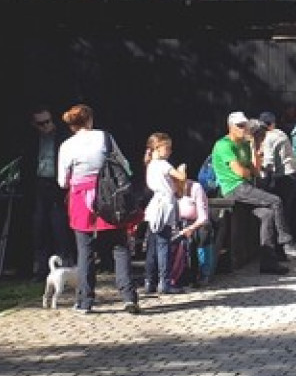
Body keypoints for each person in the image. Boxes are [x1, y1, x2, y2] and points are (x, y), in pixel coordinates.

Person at [56, 104, 139, 313]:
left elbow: (62, 182)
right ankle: (129, 297)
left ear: (72, 125)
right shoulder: (105, 137)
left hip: (81, 200)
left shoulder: (67, 146)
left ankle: (85, 302)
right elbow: (124, 165)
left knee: (85, 251)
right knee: (120, 247)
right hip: (109, 197)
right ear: (90, 120)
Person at [210, 111, 296, 274]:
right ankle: (286, 241)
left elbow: (255, 169)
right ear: (230, 127)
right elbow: (240, 172)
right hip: (234, 188)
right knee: (276, 201)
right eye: (239, 126)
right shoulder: (224, 145)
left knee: (267, 215)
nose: (243, 128)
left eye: (244, 125)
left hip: (245, 188)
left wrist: (253, 149)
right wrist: (250, 171)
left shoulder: (245, 144)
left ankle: (268, 262)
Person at [24, 106, 71, 276]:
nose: (45, 126)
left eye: (47, 122)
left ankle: (64, 265)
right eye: (40, 123)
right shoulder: (32, 140)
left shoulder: (62, 138)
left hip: (57, 183)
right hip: (39, 183)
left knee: (60, 225)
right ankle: (40, 268)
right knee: (39, 226)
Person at [256, 111, 296, 248]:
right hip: (295, 173)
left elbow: (269, 163)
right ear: (273, 124)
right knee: (295, 207)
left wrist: (258, 169)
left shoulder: (269, 137)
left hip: (285, 176)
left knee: (283, 211)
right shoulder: (280, 133)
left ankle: (283, 246)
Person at [142, 133, 178, 295]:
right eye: (167, 147)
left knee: (152, 245)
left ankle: (149, 281)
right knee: (163, 244)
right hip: (164, 205)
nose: (170, 151)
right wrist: (182, 171)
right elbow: (180, 176)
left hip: (155, 206)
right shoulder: (163, 164)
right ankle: (165, 281)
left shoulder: (150, 165)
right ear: (157, 148)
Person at [169, 164, 213, 289]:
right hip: (177, 223)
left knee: (203, 232)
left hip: (196, 222)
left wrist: (190, 229)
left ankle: (202, 272)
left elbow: (203, 217)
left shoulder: (196, 188)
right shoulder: (169, 189)